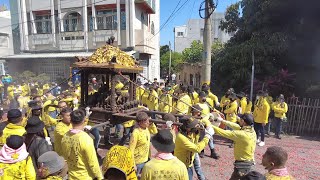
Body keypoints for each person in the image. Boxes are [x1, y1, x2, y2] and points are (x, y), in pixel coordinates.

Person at [61, 109, 103, 179]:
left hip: (71, 176)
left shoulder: (65, 137)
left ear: (71, 121)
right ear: (83, 120)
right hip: (85, 176)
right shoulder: (85, 139)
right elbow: (93, 162)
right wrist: (100, 177)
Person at [213, 113, 256, 180]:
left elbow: (223, 132)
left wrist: (209, 125)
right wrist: (222, 121)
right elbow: (236, 126)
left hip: (243, 165)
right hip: (247, 162)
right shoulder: (251, 130)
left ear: (243, 121)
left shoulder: (242, 134)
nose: (239, 121)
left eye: (240, 120)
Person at [129, 112, 158, 176]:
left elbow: (155, 132)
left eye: (148, 120)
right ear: (139, 123)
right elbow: (131, 150)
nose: (148, 122)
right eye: (145, 121)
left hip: (147, 158)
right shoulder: (136, 133)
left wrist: (152, 124)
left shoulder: (146, 128)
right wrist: (133, 164)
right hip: (138, 161)